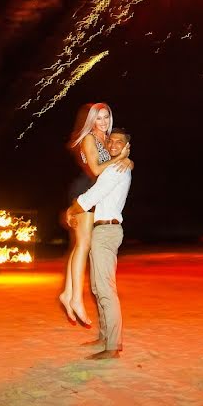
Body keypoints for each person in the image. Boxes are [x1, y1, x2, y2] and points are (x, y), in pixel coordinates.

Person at [59, 103, 131, 326]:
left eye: (106, 116)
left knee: (81, 244)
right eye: (98, 118)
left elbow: (118, 157)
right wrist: (121, 159)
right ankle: (76, 298)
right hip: (84, 190)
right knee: (83, 244)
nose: (103, 121)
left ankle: (68, 294)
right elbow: (97, 170)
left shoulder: (106, 139)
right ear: (90, 120)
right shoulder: (89, 138)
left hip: (93, 193)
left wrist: (127, 159)